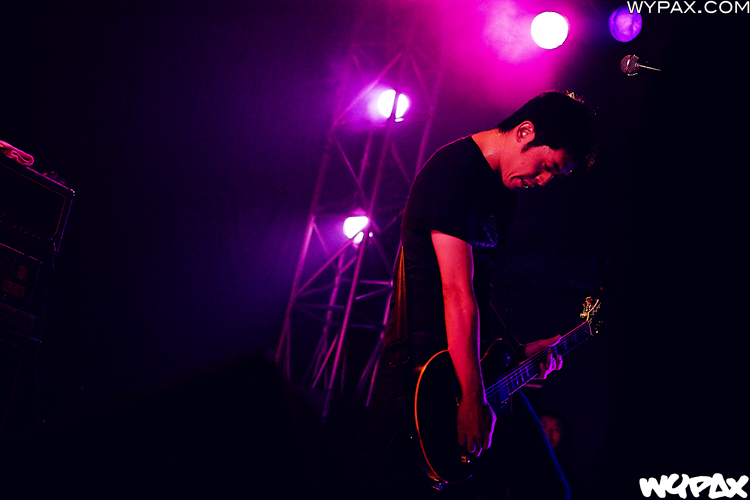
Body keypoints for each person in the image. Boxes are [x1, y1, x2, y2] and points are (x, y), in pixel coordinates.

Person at [357, 91, 597, 500]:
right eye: (546, 167)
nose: (543, 181)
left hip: (474, 366)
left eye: (554, 176)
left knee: (550, 490)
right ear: (525, 132)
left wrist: (517, 352)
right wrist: (471, 397)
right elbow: (456, 294)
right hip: (428, 369)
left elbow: (478, 291)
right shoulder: (455, 174)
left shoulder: (503, 192)